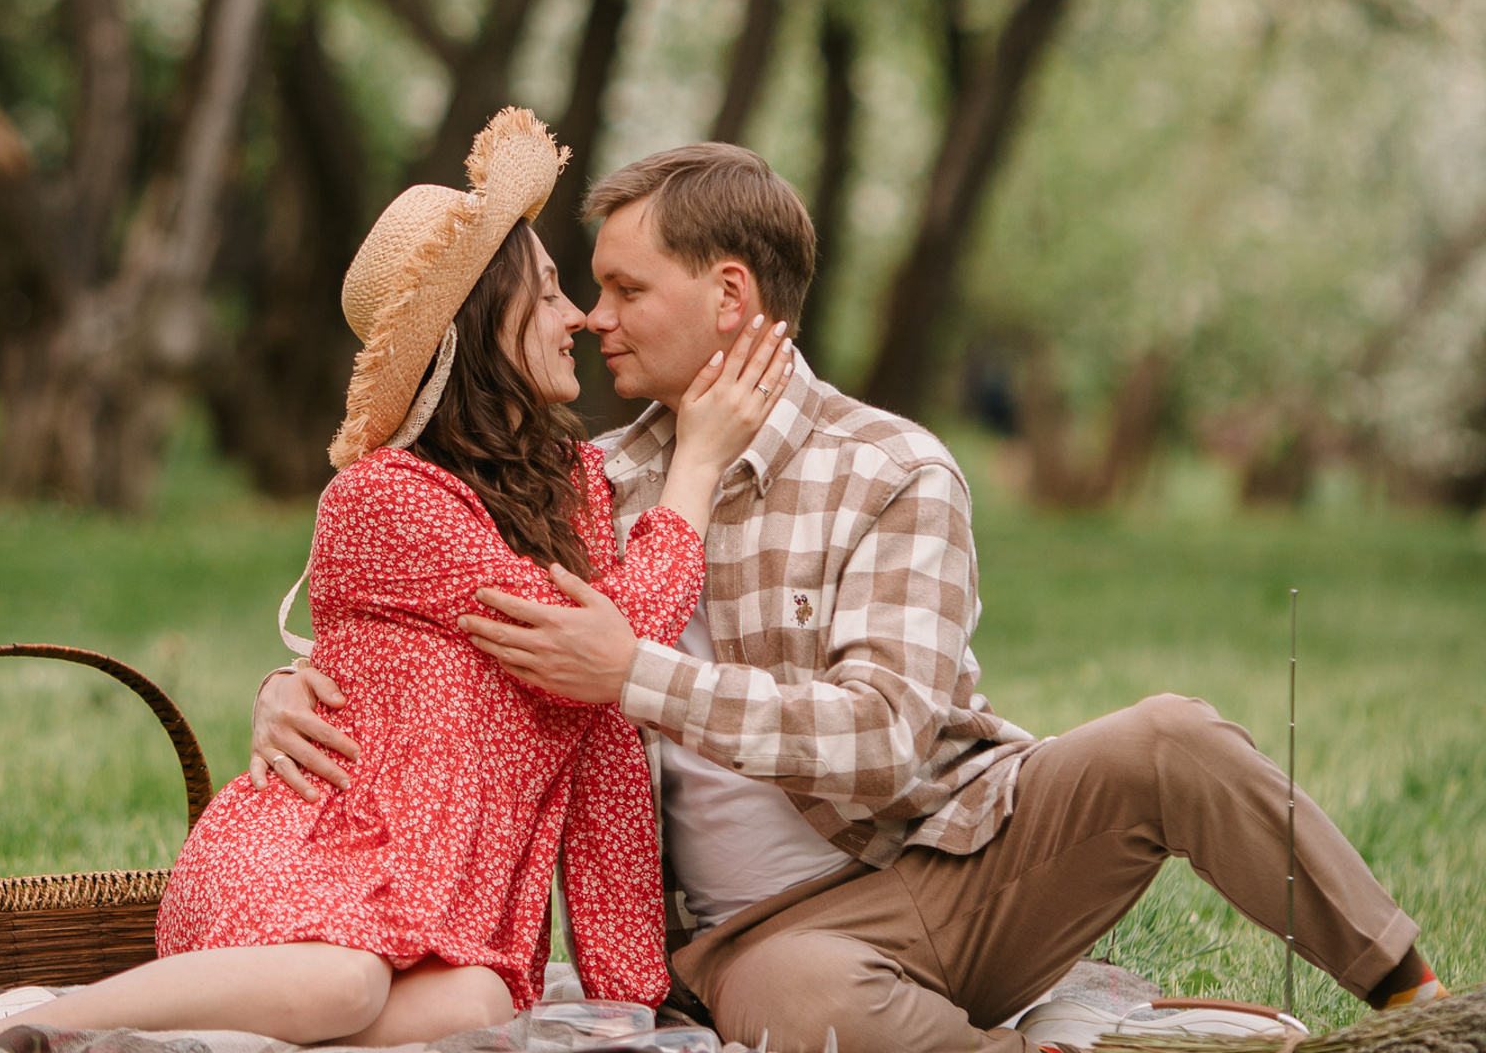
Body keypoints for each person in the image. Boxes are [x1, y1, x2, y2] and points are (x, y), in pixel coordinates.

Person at [257, 142, 1446, 1053]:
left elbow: (882, 740)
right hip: (767, 939)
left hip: (962, 854)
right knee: (797, 1002)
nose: (593, 318)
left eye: (624, 289)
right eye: (588, 292)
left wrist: (636, 675)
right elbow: (412, 615)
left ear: (730, 296)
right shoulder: (585, 489)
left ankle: (1419, 1002)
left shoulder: (891, 468)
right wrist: (292, 687)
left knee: (1174, 737)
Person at [0, 111, 795, 1052]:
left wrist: (633, 993)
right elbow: (614, 639)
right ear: (482, 321)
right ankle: (15, 1034)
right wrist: (696, 472)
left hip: (447, 920)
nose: (579, 319)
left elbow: (602, 734)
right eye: (552, 292)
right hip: (320, 864)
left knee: (479, 1010)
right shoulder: (386, 499)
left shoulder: (580, 493)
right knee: (345, 986)